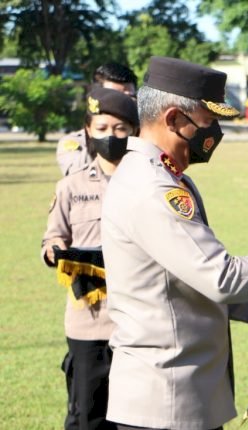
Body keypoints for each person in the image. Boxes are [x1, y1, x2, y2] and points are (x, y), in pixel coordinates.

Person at [100, 56, 248, 430]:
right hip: (165, 404)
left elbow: (186, 283)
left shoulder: (167, 177)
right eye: (208, 119)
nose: (214, 131)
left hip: (179, 397)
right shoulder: (152, 188)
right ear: (175, 119)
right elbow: (220, 277)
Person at [41, 87, 140, 430]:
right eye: (101, 129)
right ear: (87, 131)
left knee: (137, 418)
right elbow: (53, 235)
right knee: (89, 417)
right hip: (90, 322)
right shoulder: (71, 186)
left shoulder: (148, 184)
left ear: (134, 131)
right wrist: (53, 249)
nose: (110, 136)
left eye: (119, 129)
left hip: (140, 324)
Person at [56, 63, 138, 176]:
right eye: (114, 97)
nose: (122, 105)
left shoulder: (146, 138)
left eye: (129, 97)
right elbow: (80, 178)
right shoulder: (76, 143)